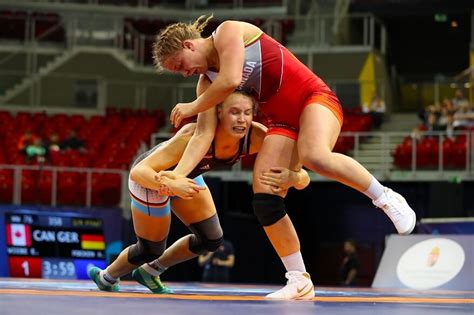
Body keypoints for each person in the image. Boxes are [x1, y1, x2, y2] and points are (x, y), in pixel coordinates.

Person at [151, 16, 416, 300]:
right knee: (265, 197)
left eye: (180, 65)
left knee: (315, 155)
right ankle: (299, 279)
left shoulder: (228, 32)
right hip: (283, 123)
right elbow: (202, 136)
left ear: (190, 45)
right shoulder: (206, 85)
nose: (184, 73)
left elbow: (229, 80)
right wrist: (178, 174)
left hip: (313, 99)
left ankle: (385, 196)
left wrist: (192, 106)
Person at [88, 91, 310, 293]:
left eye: (247, 113)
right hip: (152, 180)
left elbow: (303, 176)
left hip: (188, 176)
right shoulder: (192, 135)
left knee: (211, 239)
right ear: (219, 112)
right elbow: (138, 172)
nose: (241, 119)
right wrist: (170, 184)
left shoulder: (257, 136)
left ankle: (149, 272)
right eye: (234, 112)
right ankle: (106, 277)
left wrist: (293, 177)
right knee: (150, 249)